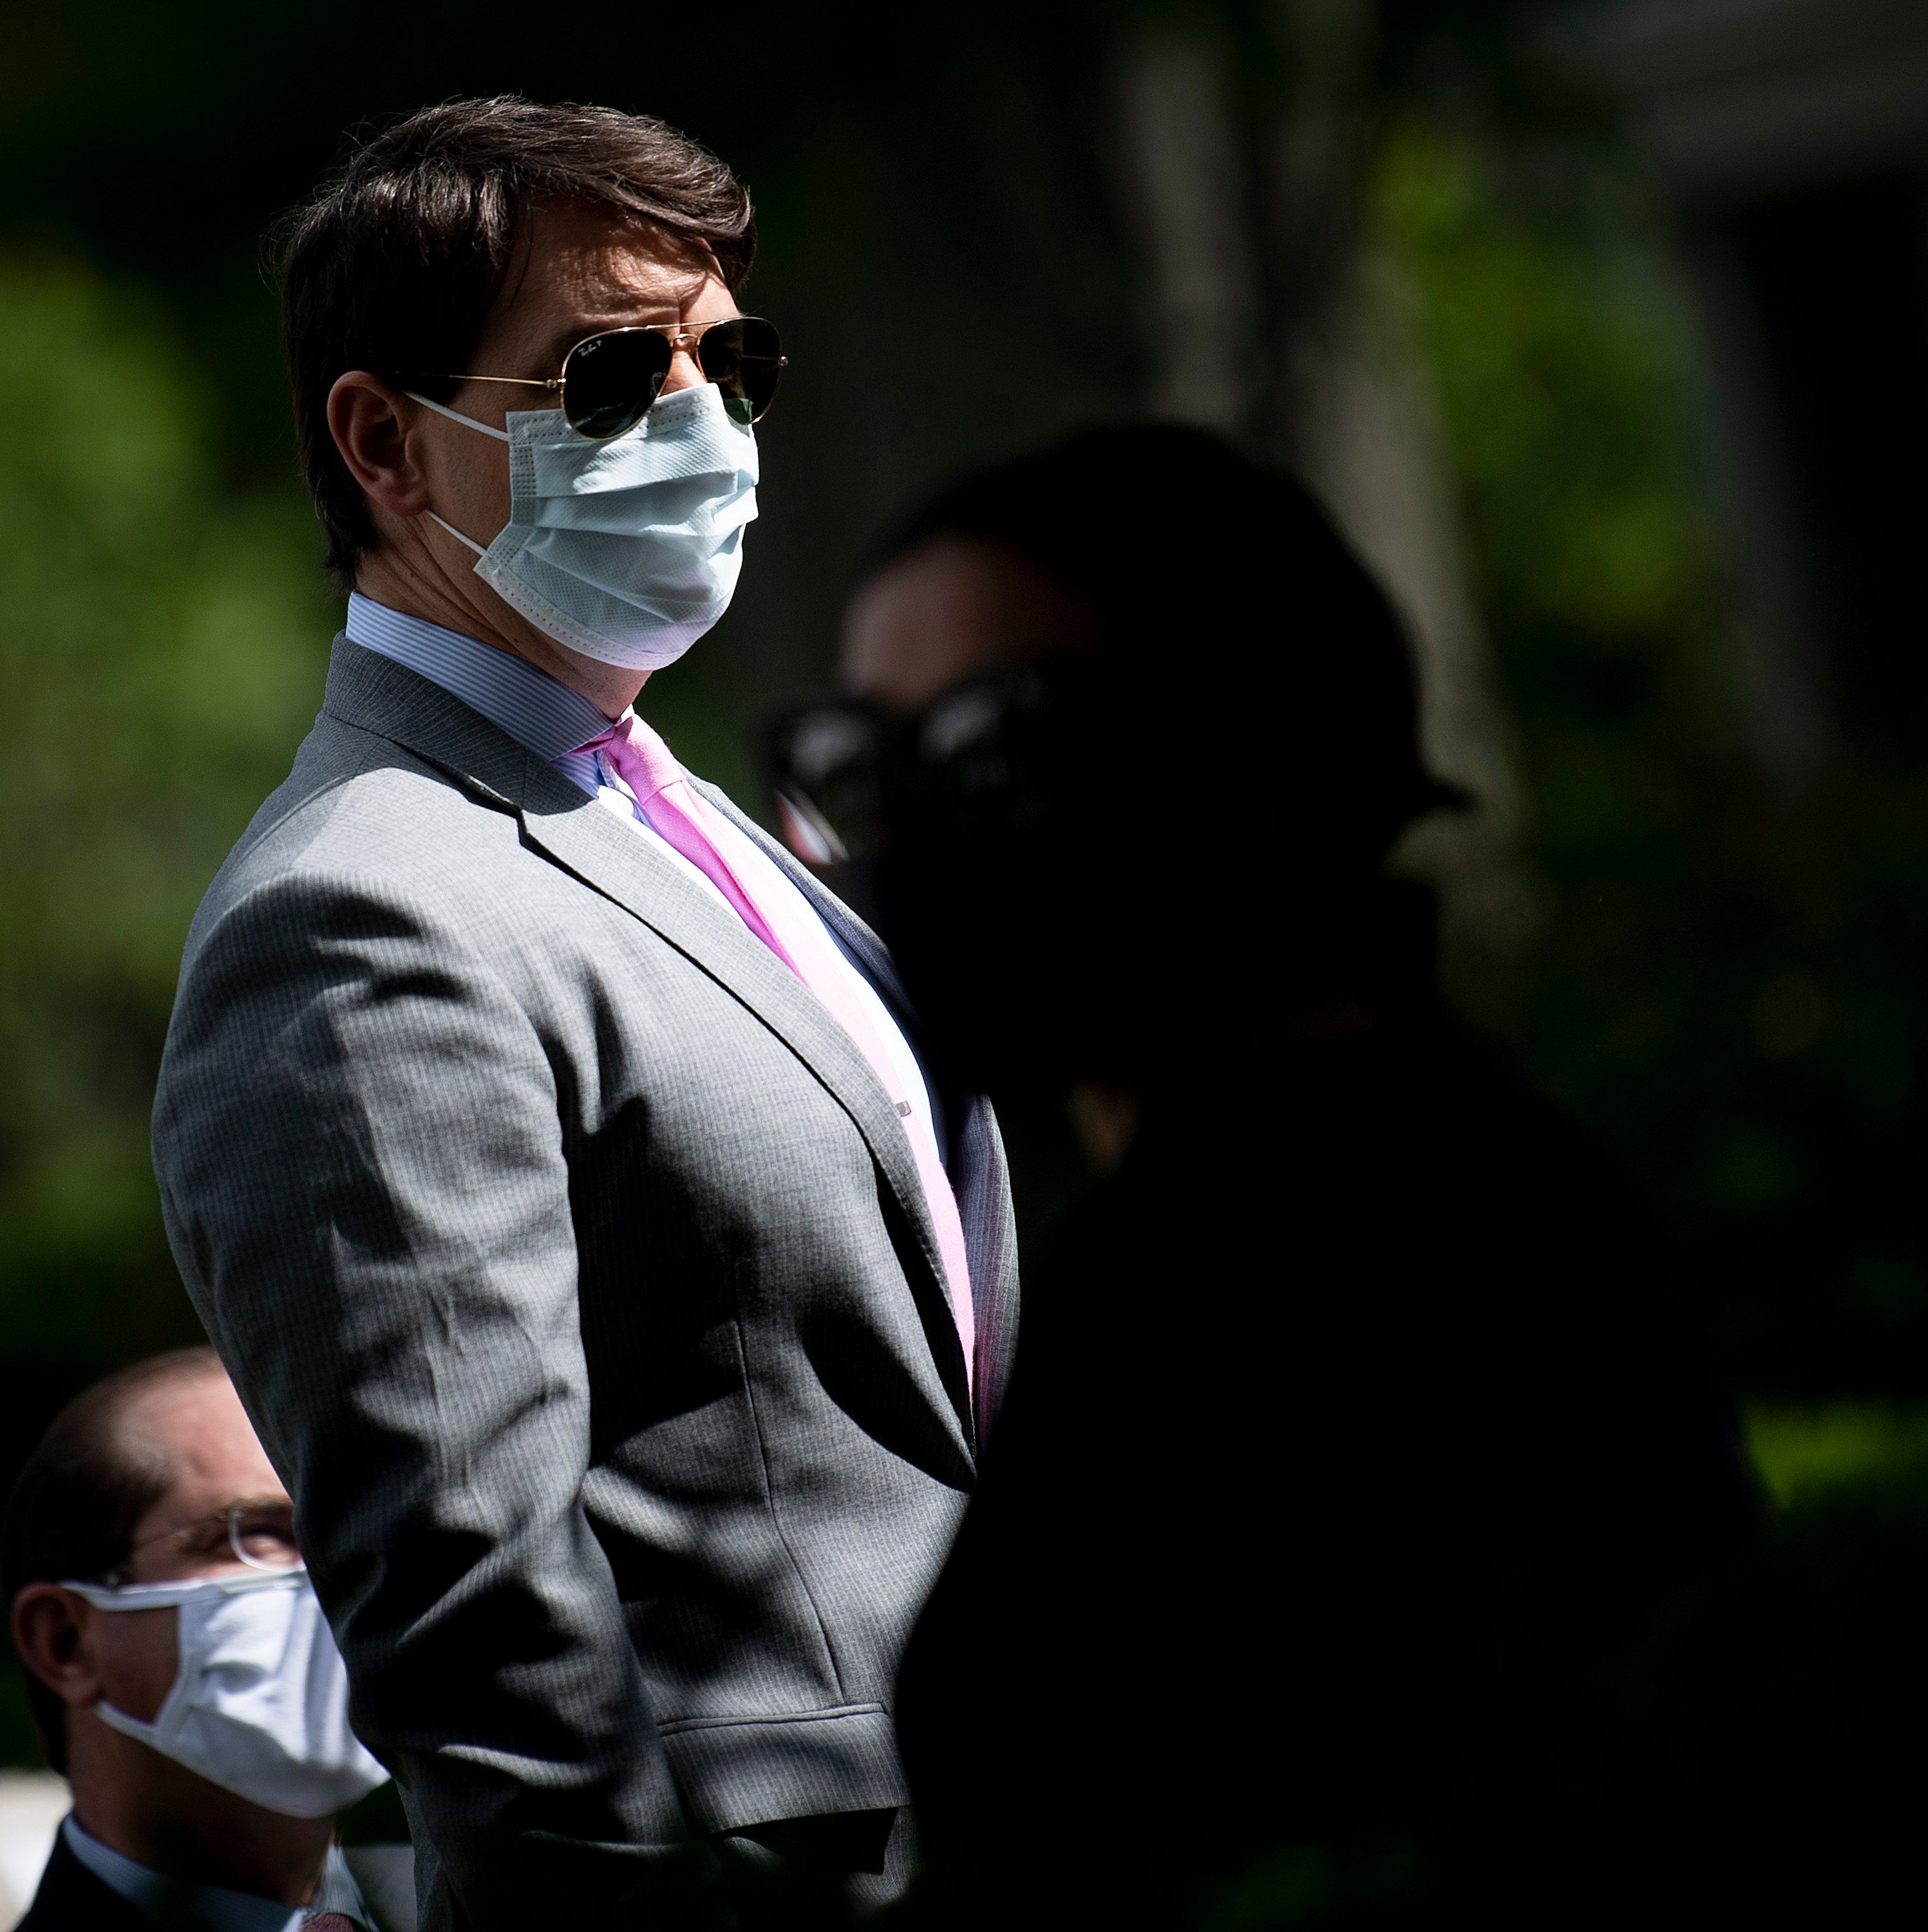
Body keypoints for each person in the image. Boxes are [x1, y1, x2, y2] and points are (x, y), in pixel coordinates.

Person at [150, 98, 1017, 1931]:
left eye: (731, 361)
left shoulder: (727, 825)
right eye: (610, 374)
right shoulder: (354, 913)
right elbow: (479, 1630)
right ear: (385, 442)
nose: (700, 422)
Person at [779, 424, 1759, 1924]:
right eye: (858, 764)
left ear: (1252, 753)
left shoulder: (1310, 1251)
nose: (907, 838)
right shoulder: (1416, 1166)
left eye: (995, 747)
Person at [3, 1347, 402, 1932]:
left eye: (350, 1527)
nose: (338, 1569)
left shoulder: (494, 1893)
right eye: (260, 1536)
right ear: (67, 1642)